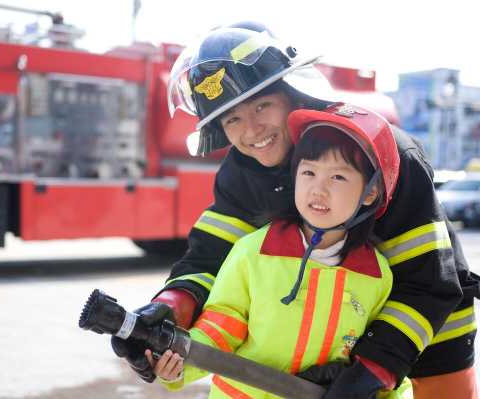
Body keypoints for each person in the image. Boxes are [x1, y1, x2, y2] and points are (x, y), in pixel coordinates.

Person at [111, 27, 479, 398]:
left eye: (261, 106)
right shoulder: (243, 171)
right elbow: (209, 258)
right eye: (232, 119)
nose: (251, 131)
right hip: (333, 329)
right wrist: (168, 308)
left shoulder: (378, 152)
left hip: (424, 320)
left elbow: (429, 282)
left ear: (291, 94)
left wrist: (372, 369)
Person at [147, 104, 411, 398]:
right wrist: (182, 360)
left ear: (371, 193)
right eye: (308, 172)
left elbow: (380, 371)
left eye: (338, 177)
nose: (317, 190)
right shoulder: (254, 252)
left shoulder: (376, 275)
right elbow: (223, 322)